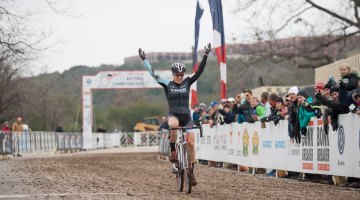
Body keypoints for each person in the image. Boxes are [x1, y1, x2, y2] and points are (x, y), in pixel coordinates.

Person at [138, 43, 211, 186]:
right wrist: (144, 59)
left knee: (190, 142)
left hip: (186, 116)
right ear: (172, 74)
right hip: (174, 115)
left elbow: (200, 71)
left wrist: (206, 55)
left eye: (181, 74)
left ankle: (191, 172)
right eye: (177, 74)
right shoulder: (167, 83)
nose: (179, 76)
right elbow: (154, 74)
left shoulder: (187, 82)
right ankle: (173, 151)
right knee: (173, 125)